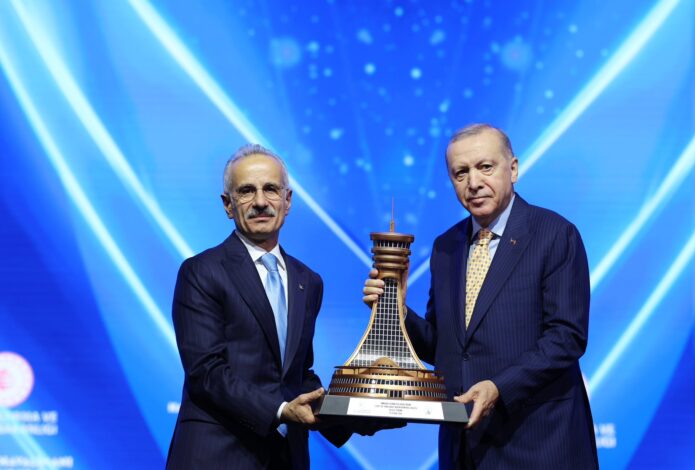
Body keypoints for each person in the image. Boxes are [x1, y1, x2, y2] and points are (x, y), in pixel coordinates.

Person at [364, 124, 598, 469]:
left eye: (485, 167)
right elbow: (445, 349)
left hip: (537, 443)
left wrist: (499, 387)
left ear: (513, 169)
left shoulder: (554, 235)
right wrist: (398, 313)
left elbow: (566, 337)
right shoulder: (446, 247)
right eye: (460, 173)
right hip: (463, 448)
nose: (473, 182)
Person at [167, 144, 349, 469]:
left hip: (286, 458)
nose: (261, 201)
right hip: (217, 456)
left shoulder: (308, 281)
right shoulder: (201, 272)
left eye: (271, 189)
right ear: (228, 205)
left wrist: (355, 412)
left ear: (287, 201)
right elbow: (206, 372)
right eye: (247, 191)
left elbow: (297, 374)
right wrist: (281, 410)